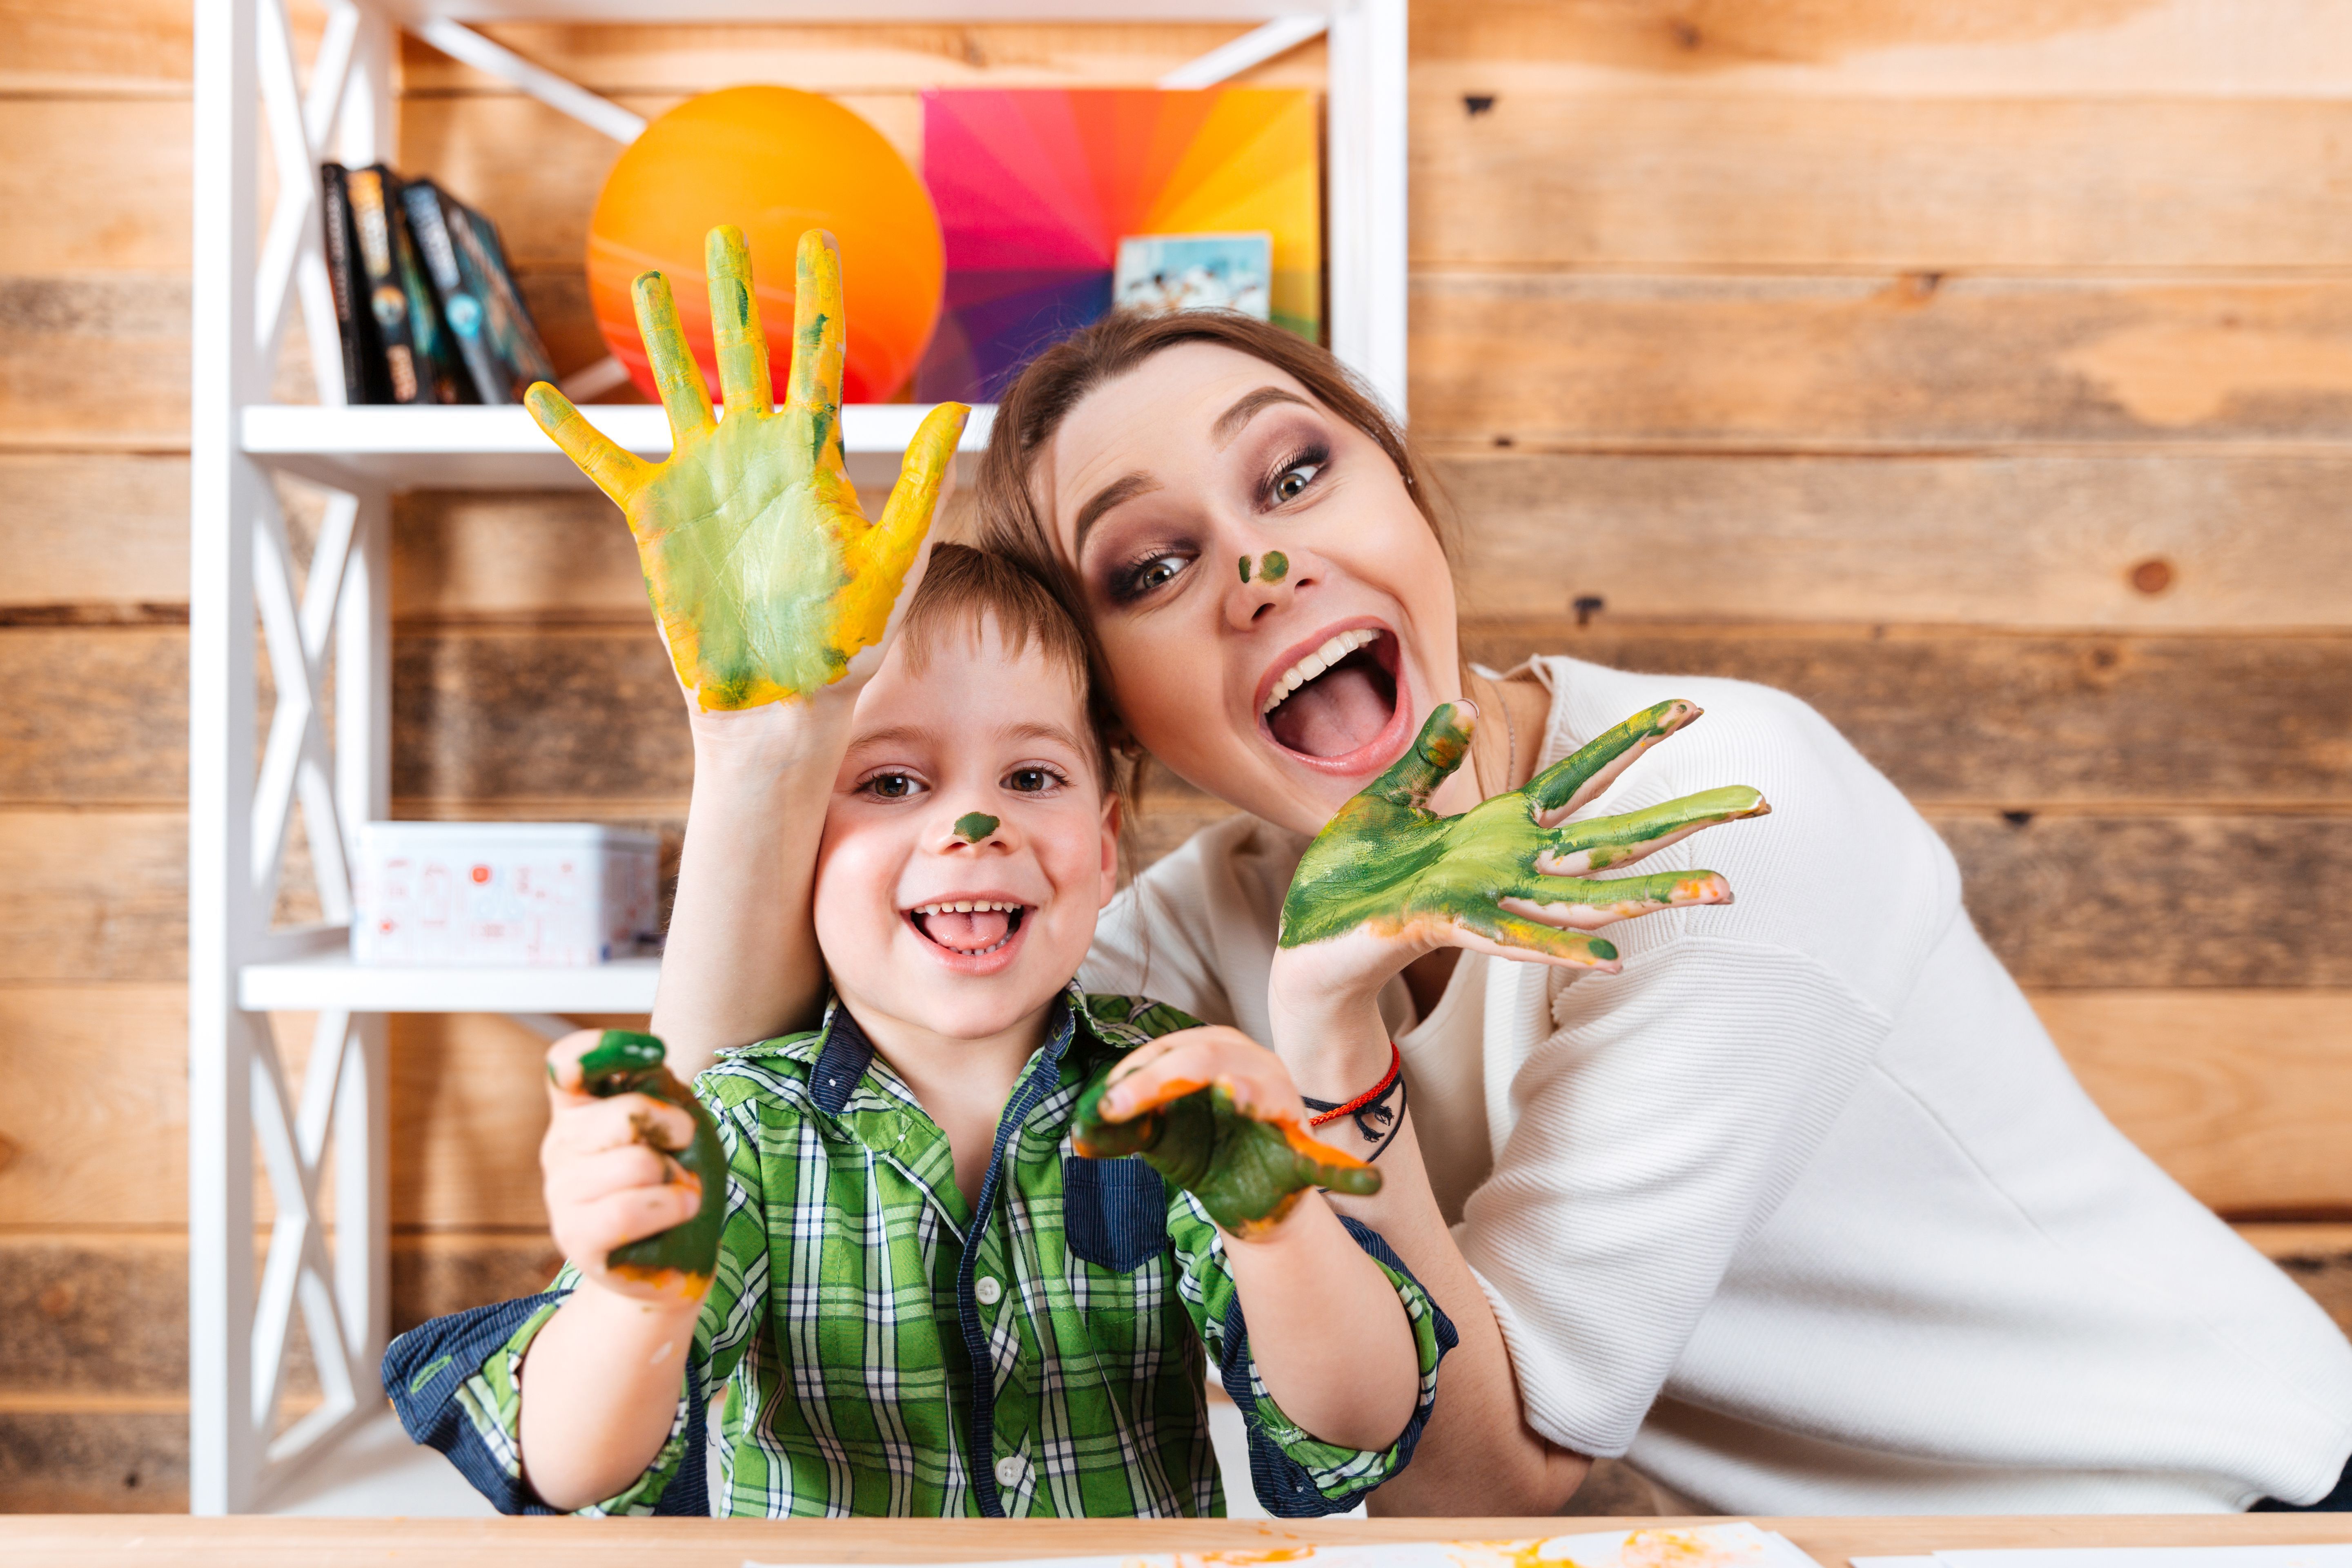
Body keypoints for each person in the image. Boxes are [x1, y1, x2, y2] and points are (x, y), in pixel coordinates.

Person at [939, 307, 2352, 1516]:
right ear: (1111, 703)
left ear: (1408, 499)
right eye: (1153, 567)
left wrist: (1326, 1027)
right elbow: (826, 1110)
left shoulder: (1724, 811)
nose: (1264, 570)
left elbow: (1484, 1483)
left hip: (2224, 1515)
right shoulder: (1210, 918)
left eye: (1297, 474)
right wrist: (768, 750)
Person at [382, 544, 1454, 1517]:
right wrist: (631, 1300)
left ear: (1106, 843)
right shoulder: (739, 1130)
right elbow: (572, 1470)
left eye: (1032, 778)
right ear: (795, 844)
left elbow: (1355, 1425)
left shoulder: (1178, 1096)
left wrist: (1276, 1227)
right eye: (893, 782)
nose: (970, 827)